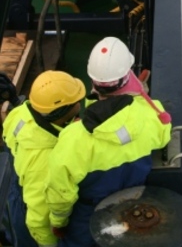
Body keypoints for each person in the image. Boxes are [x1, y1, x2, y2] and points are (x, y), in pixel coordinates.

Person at [44, 37, 172, 247]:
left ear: (93, 82)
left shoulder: (74, 139)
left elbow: (60, 194)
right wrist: (140, 99)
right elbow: (164, 136)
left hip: (88, 214)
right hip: (133, 204)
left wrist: (59, 222)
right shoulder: (151, 115)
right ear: (127, 77)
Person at [1, 70, 86, 247]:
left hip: (17, 183)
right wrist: (49, 243)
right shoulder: (44, 161)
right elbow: (38, 218)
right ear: (61, 113)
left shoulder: (22, 112)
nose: (80, 102)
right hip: (28, 218)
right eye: (76, 101)